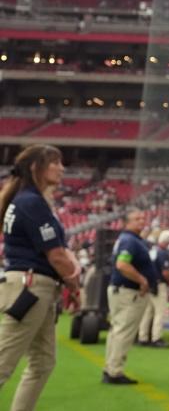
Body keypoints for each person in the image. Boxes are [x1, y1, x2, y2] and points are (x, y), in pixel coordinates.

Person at [0, 145, 81, 411]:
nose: (62, 168)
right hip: (31, 287)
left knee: (43, 362)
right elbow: (55, 255)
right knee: (3, 361)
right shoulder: (31, 202)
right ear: (36, 167)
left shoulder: (27, 200)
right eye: (55, 162)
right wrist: (74, 281)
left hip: (34, 286)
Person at [104, 210, 157, 385]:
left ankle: (110, 368)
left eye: (143, 218)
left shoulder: (129, 240)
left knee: (117, 330)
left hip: (122, 290)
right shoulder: (130, 241)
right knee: (123, 332)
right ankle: (115, 371)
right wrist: (142, 280)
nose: (142, 221)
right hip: (129, 292)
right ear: (127, 222)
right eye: (136, 219)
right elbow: (122, 264)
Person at [138, 229, 169, 348]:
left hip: (150, 283)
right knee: (159, 312)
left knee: (148, 311)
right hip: (159, 284)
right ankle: (156, 338)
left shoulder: (152, 251)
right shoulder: (163, 253)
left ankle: (143, 337)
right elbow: (165, 272)